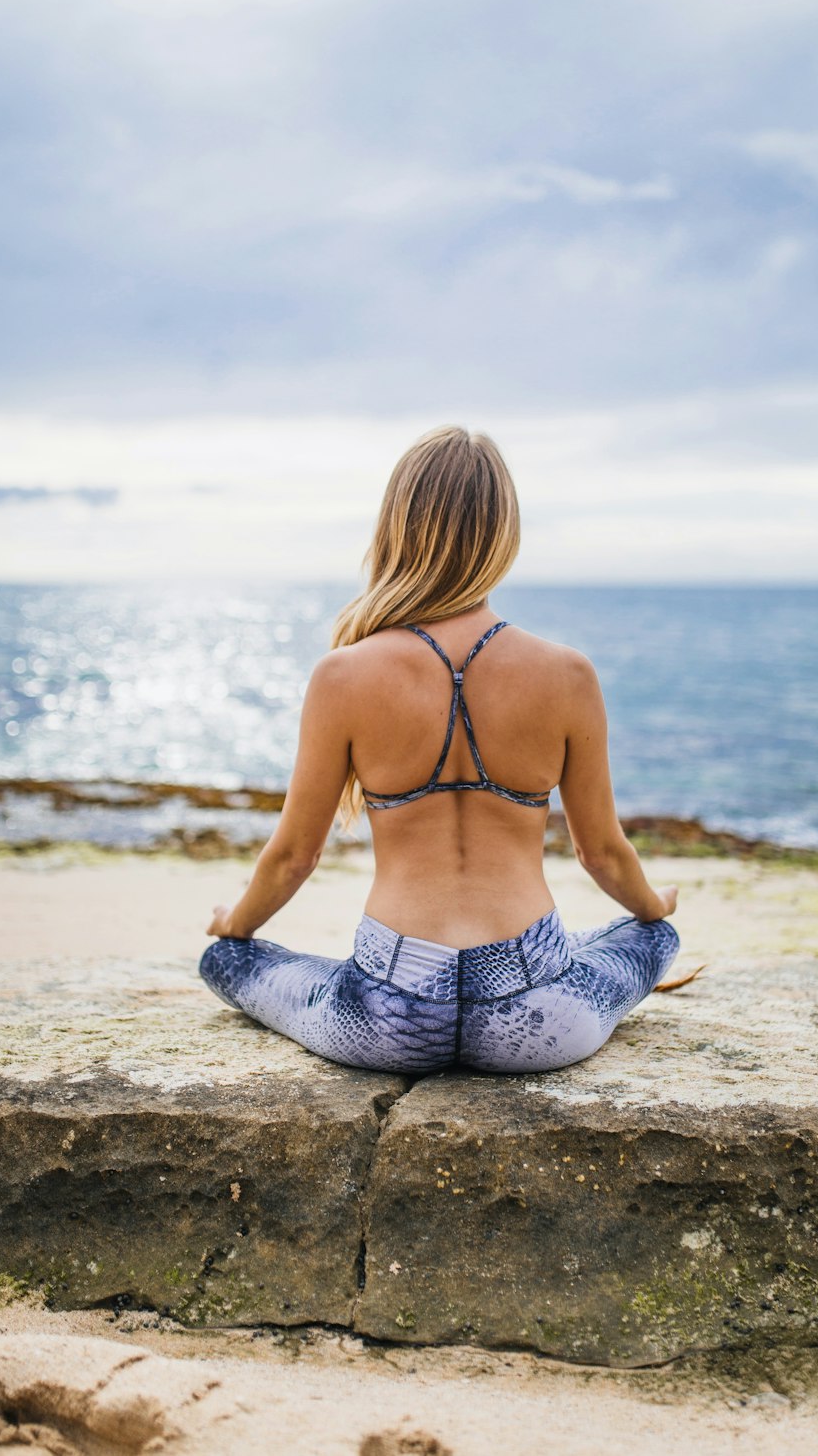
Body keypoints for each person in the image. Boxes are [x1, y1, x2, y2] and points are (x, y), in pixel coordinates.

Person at [200, 426, 683, 1074]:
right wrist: (655, 911)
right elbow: (602, 854)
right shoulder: (568, 674)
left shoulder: (341, 676)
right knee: (653, 938)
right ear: (503, 536)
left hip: (387, 1012)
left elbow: (292, 859)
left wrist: (235, 924)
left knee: (227, 958)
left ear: (396, 527)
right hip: (538, 1012)